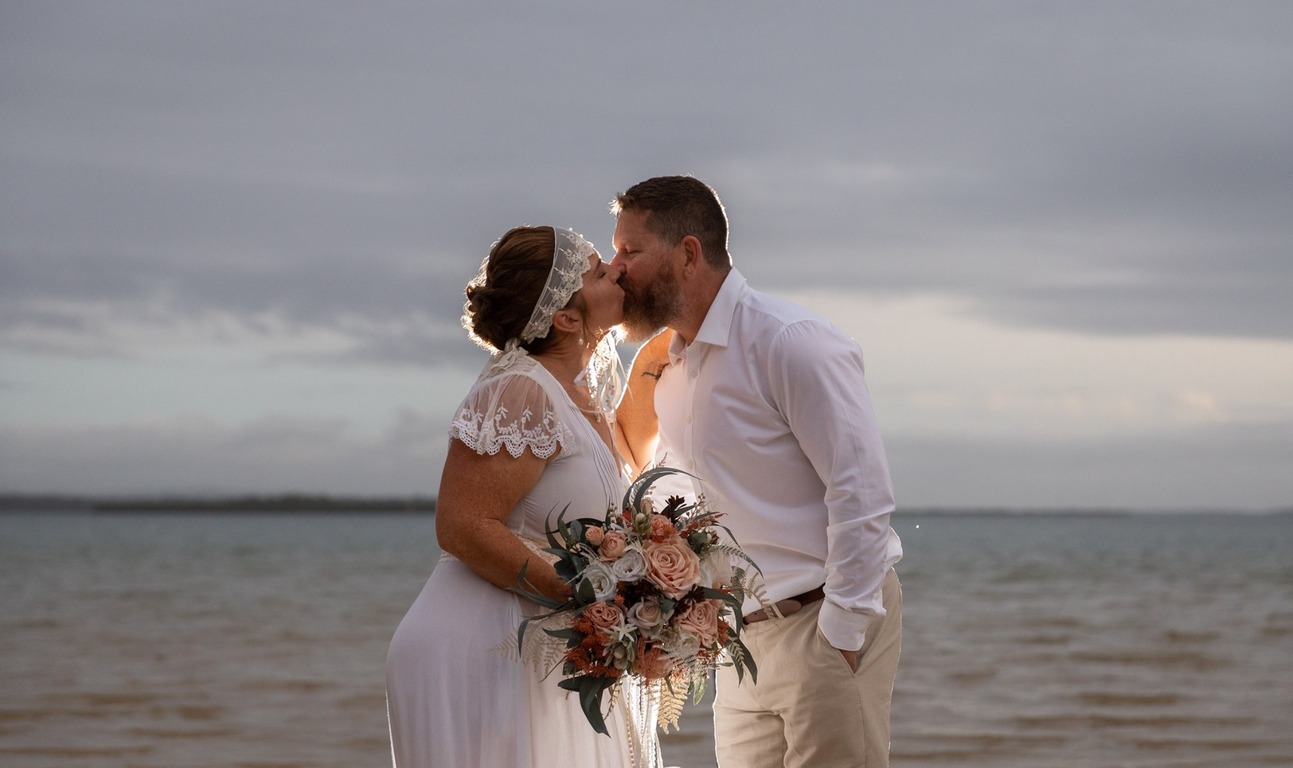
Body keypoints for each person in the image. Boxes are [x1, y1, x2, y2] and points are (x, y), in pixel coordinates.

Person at [610, 176, 904, 767]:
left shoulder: (791, 343)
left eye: (630, 252)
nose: (617, 269)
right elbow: (661, 477)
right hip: (736, 642)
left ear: (688, 254)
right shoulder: (668, 364)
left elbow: (862, 493)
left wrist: (841, 636)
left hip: (821, 621)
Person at [385, 226, 661, 768]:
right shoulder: (519, 390)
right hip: (480, 648)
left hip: (541, 647)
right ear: (565, 317)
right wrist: (592, 603)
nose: (617, 271)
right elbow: (462, 525)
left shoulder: (578, 393)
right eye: (601, 272)